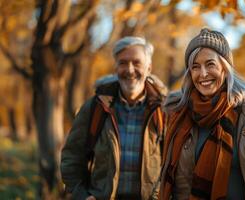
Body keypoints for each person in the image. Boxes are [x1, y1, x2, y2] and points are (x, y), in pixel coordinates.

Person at [160, 28, 245, 200]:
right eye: (195, 67)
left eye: (210, 64)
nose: (203, 74)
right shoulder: (178, 115)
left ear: (225, 67)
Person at [61, 36, 167, 200]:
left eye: (136, 62)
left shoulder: (164, 110)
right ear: (116, 67)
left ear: (149, 68)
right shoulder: (95, 108)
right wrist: (82, 195)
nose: (130, 69)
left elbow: (176, 165)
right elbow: (72, 156)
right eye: (123, 63)